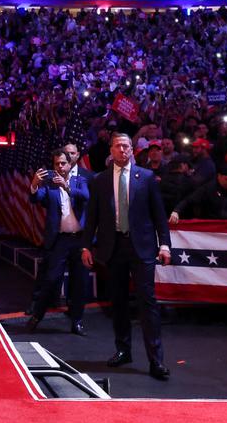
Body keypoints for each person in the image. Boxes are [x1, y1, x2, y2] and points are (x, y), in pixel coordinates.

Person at [81, 132, 173, 380]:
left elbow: (159, 216)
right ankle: (123, 350)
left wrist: (164, 244)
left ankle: (156, 360)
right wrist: (86, 246)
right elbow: (92, 217)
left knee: (147, 302)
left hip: (141, 247)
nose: (122, 150)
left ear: (132, 150)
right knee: (118, 302)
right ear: (110, 150)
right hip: (113, 247)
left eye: (126, 146)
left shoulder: (146, 178)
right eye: (118, 146)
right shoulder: (99, 180)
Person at [26, 149, 90, 335]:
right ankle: (37, 316)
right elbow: (35, 199)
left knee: (80, 283)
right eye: (56, 164)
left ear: (70, 165)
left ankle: (77, 321)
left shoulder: (80, 181)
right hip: (60, 239)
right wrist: (34, 185)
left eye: (63, 163)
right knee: (51, 279)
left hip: (80, 240)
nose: (60, 167)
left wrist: (67, 187)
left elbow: (85, 197)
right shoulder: (49, 183)